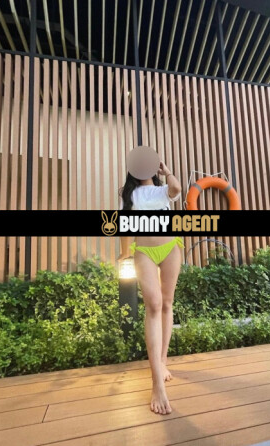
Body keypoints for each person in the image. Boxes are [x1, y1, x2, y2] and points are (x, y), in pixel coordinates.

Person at [117, 148, 183, 416]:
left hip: (170, 248)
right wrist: (124, 254)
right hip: (144, 251)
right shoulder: (130, 194)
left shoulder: (162, 190)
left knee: (166, 303)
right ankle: (157, 383)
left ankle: (162, 361)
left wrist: (167, 172)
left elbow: (177, 189)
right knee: (153, 305)